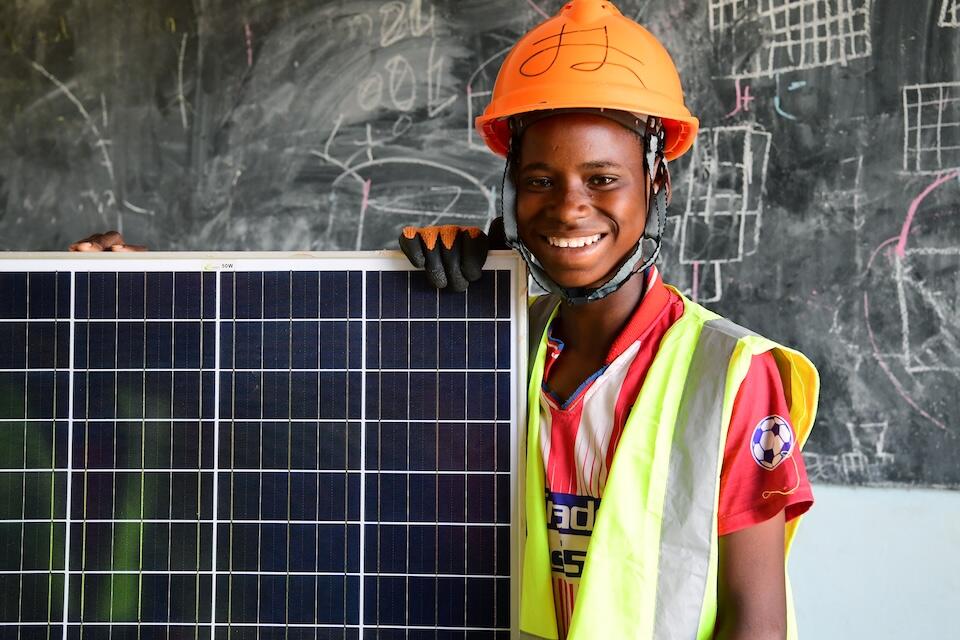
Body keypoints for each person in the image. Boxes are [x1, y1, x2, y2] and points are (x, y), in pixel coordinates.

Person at [398, 2, 819, 639]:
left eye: (602, 179)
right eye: (540, 180)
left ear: (656, 182)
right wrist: (421, 299)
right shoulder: (495, 347)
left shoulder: (729, 374)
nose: (569, 209)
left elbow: (754, 623)